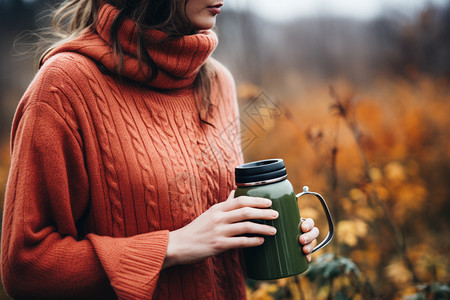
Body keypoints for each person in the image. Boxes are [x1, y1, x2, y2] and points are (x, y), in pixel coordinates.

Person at [1, 0, 320, 299]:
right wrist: (170, 247)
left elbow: (212, 229)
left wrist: (271, 230)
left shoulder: (217, 81)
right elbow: (25, 267)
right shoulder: (63, 86)